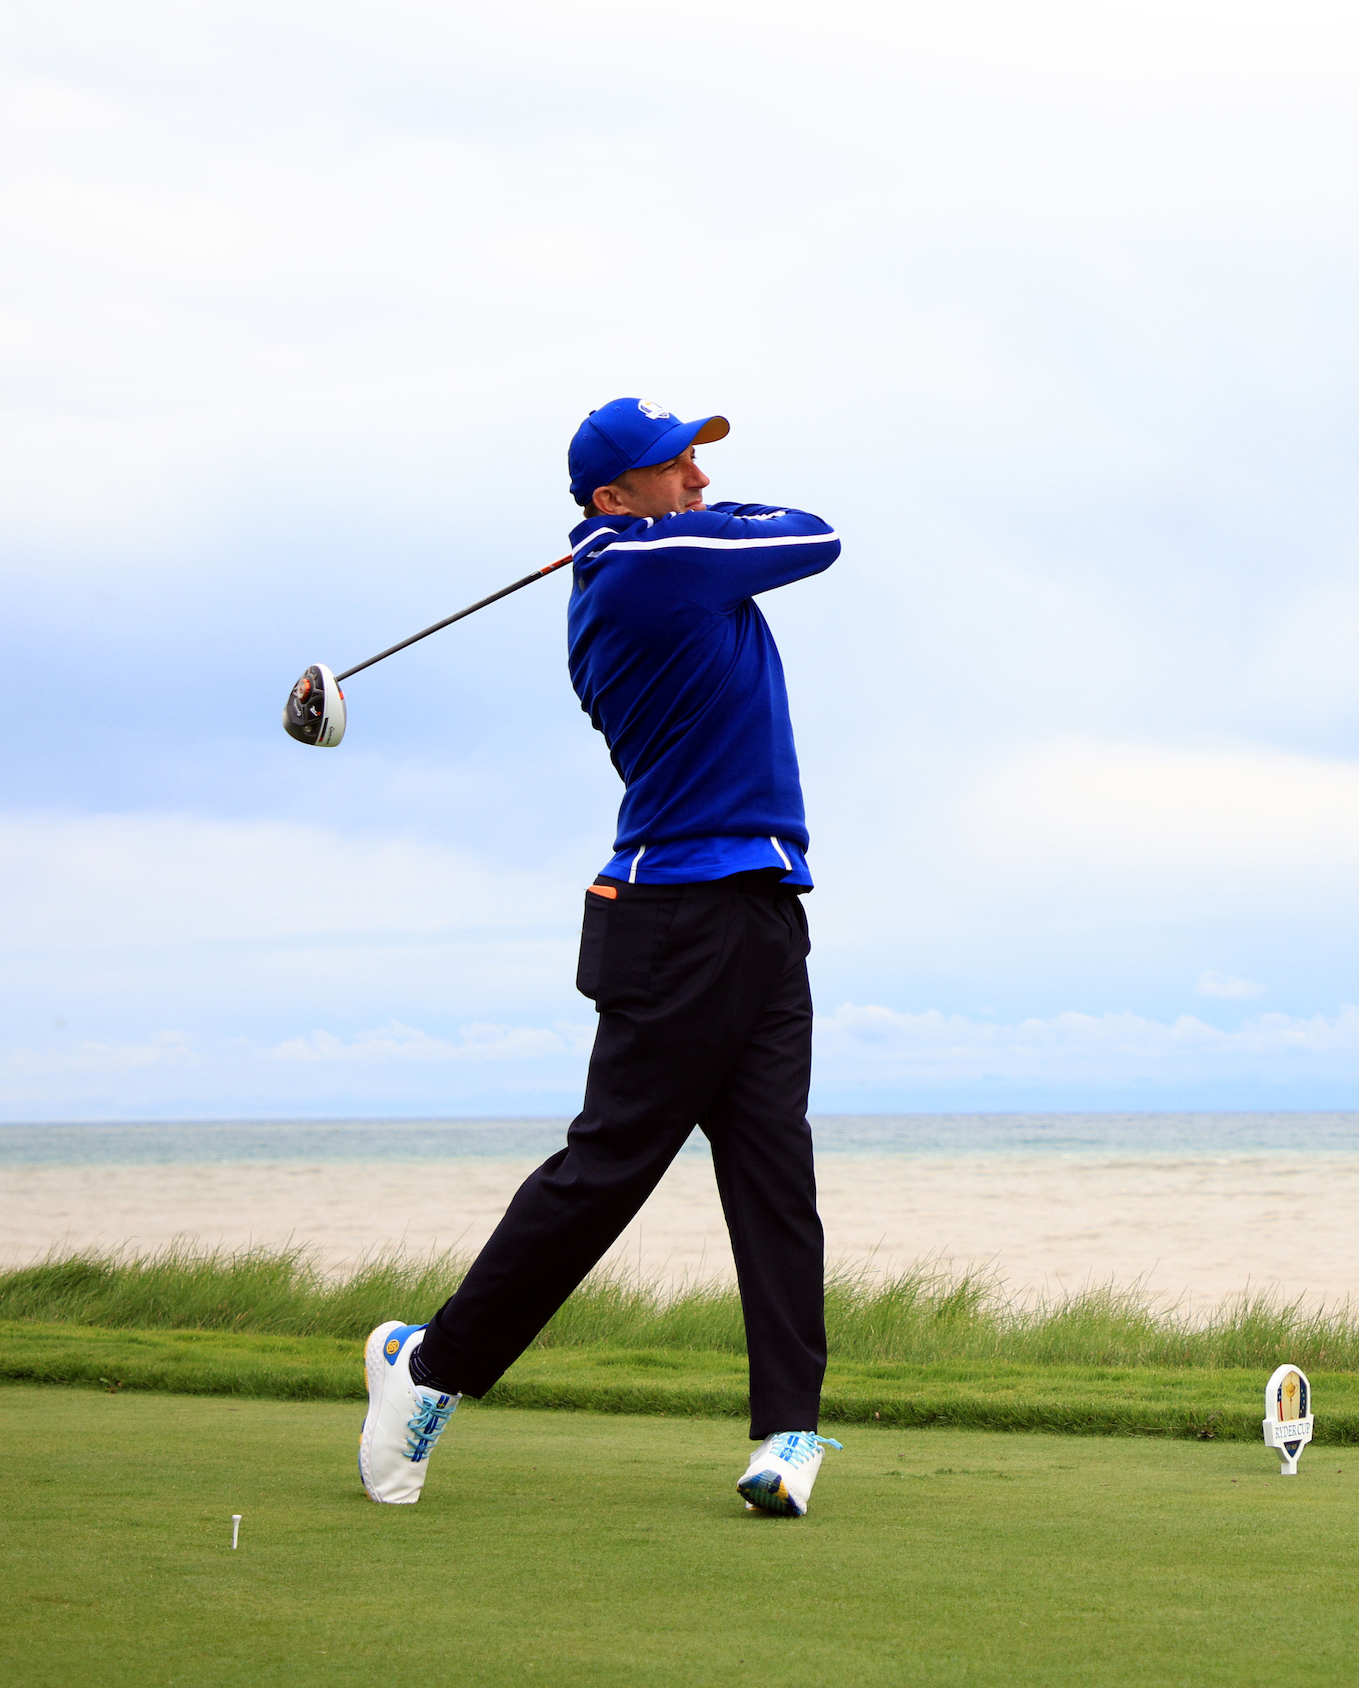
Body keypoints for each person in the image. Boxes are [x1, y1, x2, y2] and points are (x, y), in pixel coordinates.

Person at [358, 397, 845, 1515]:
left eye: (697, 463)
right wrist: (662, 527)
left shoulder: (656, 556)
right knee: (609, 1171)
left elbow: (761, 531)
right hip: (680, 917)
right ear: (612, 497)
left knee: (775, 1172)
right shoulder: (640, 571)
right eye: (676, 468)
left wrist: (667, 516)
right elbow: (818, 533)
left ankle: (789, 1430)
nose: (701, 481)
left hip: (763, 906)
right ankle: (429, 1367)